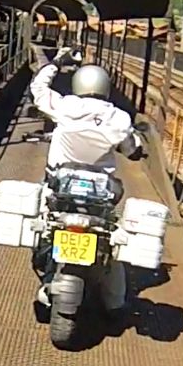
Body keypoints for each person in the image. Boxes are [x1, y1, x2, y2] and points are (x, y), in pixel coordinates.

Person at [28, 48, 136, 316]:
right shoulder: (119, 118)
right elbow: (131, 149)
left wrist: (55, 64)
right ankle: (115, 304)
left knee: (43, 223)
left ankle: (46, 266)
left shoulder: (66, 107)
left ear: (78, 85)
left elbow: (38, 88)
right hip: (101, 193)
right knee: (112, 243)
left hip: (60, 185)